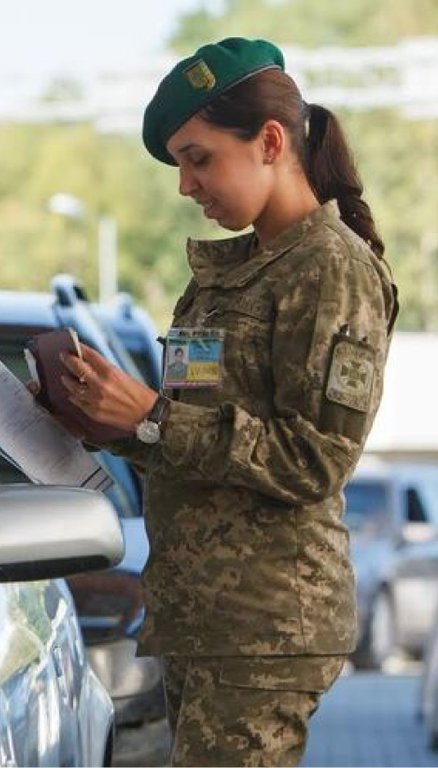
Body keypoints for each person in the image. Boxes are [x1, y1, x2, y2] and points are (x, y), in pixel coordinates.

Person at [39, 37, 399, 766]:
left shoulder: (329, 269)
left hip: (264, 623)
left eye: (198, 158)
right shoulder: (224, 278)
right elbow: (187, 436)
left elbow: (314, 459)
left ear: (270, 141)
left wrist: (148, 414)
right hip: (205, 616)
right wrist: (103, 417)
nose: (185, 185)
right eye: (180, 164)